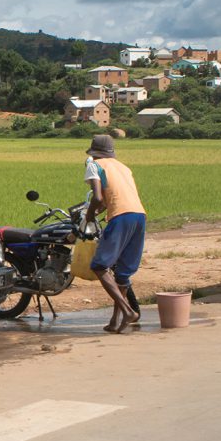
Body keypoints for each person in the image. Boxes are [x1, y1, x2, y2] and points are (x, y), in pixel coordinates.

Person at [83, 134, 145, 333]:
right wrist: (100, 209)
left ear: (94, 152)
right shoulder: (123, 167)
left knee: (99, 266)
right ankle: (115, 320)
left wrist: (90, 215)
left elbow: (98, 196)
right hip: (139, 216)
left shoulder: (94, 165)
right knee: (123, 274)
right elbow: (109, 198)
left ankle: (127, 311)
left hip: (120, 217)